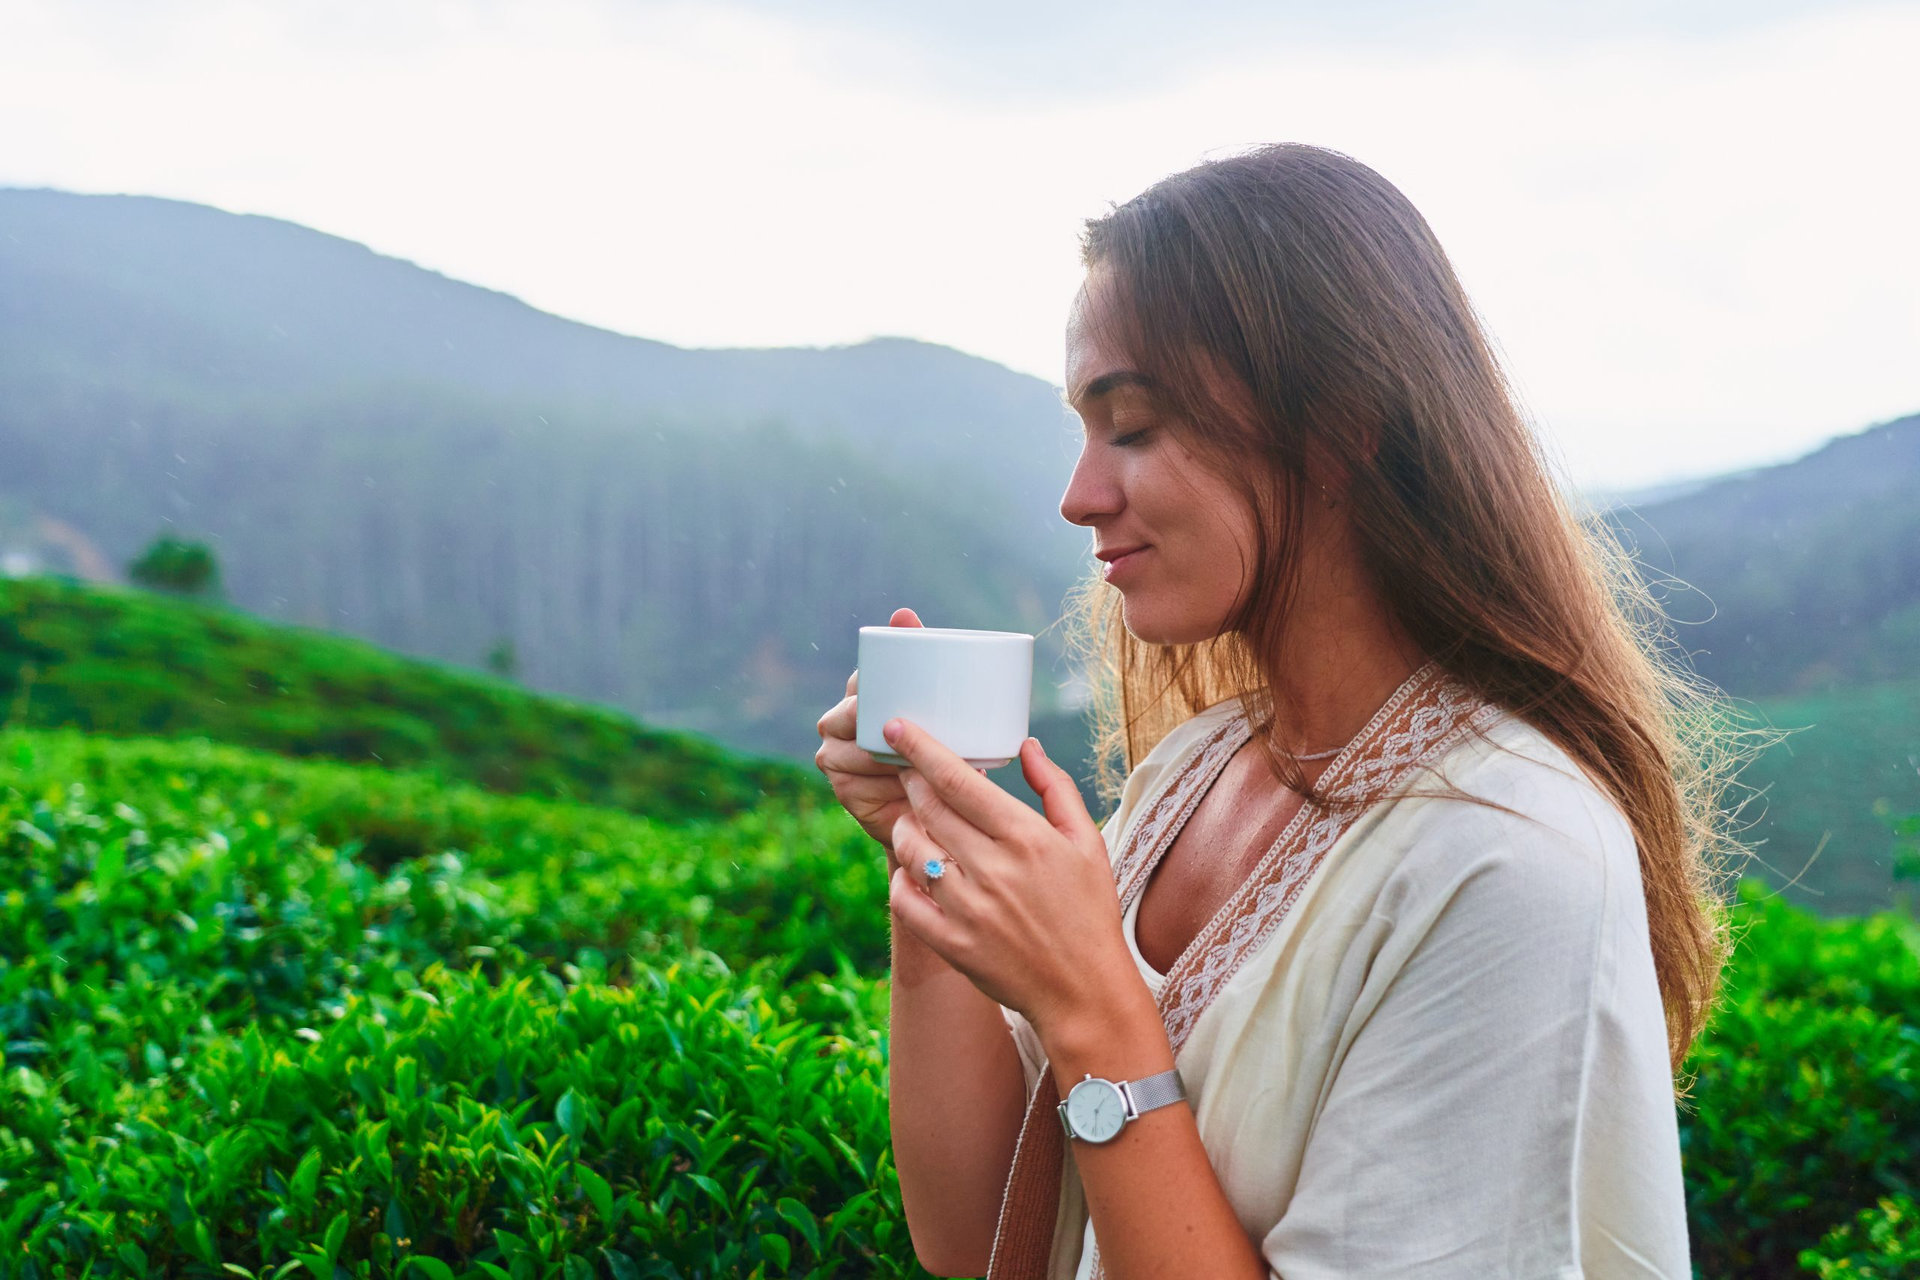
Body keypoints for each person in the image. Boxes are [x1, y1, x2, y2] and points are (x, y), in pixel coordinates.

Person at [815, 143, 1737, 1279]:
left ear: (1342, 424)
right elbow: (975, 1234)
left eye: (1135, 425)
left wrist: (1093, 1007)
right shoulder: (1195, 771)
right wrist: (935, 865)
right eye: (1084, 429)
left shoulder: (1505, 856)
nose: (1078, 495)